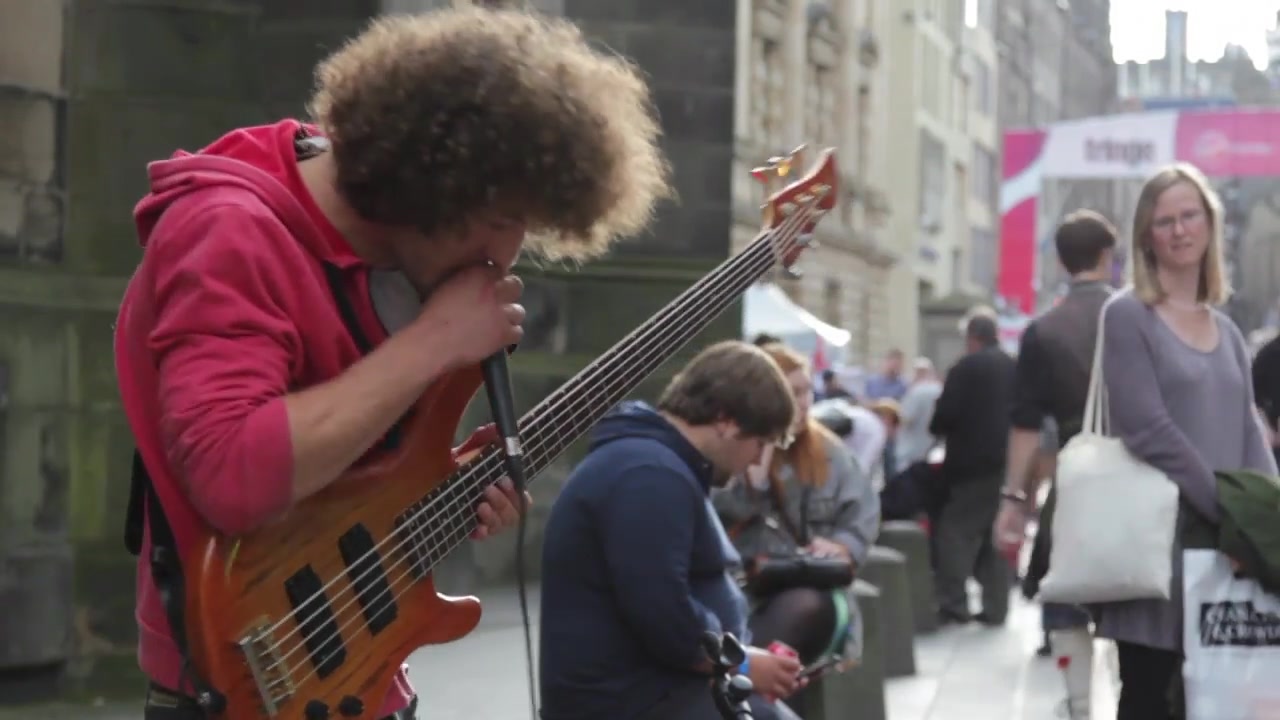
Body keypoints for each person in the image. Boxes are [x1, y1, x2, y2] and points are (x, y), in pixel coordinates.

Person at [113, 7, 671, 720]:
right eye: (506, 216)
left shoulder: (392, 258)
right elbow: (231, 475)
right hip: (241, 685)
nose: (510, 250)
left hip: (363, 678)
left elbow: (343, 475)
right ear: (434, 185)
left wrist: (446, 487)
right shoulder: (229, 231)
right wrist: (434, 341)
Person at [1092, 163, 1276, 719]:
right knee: (1151, 697)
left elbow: (1248, 429)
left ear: (1210, 224)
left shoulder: (1228, 331)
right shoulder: (1127, 315)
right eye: (1163, 220)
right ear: (1146, 234)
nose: (1178, 230)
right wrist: (1229, 509)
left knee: (1226, 699)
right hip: (1159, 545)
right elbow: (1147, 428)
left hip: (1225, 548)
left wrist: (1266, 512)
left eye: (1189, 215)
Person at [539, 341, 806, 720]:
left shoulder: (659, 465)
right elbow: (663, 616)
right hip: (629, 701)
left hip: (657, 689)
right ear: (726, 420)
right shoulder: (650, 475)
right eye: (759, 443)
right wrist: (741, 663)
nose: (758, 460)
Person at [993, 209, 1117, 667]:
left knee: (1063, 579)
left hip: (1073, 475)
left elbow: (1025, 426)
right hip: (1137, 468)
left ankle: (1077, 698)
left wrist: (1011, 498)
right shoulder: (1136, 316)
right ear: (1108, 254)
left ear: (1062, 262)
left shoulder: (1042, 331)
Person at [713, 343, 879, 672]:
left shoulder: (830, 453)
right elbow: (711, 515)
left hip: (812, 588)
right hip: (742, 588)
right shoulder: (734, 447)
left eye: (806, 392)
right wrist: (754, 484)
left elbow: (863, 513)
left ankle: (742, 686)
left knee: (801, 609)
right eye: (791, 393)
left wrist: (844, 546)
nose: (801, 404)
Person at [928, 313, 1017, 625]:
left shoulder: (965, 368)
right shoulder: (1012, 366)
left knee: (954, 533)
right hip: (1007, 463)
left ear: (972, 338)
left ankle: (954, 603)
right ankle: (997, 606)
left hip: (970, 465)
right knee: (993, 536)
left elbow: (942, 418)